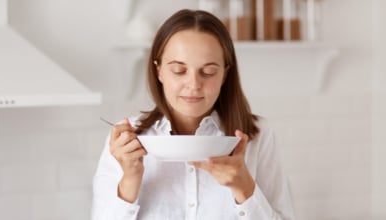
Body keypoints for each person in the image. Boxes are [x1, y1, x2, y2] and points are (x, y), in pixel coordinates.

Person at [92, 9, 295, 220]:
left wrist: (244, 189)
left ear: (225, 73)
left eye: (208, 72)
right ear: (158, 70)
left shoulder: (258, 135)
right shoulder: (125, 144)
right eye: (179, 70)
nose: (194, 84)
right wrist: (130, 181)